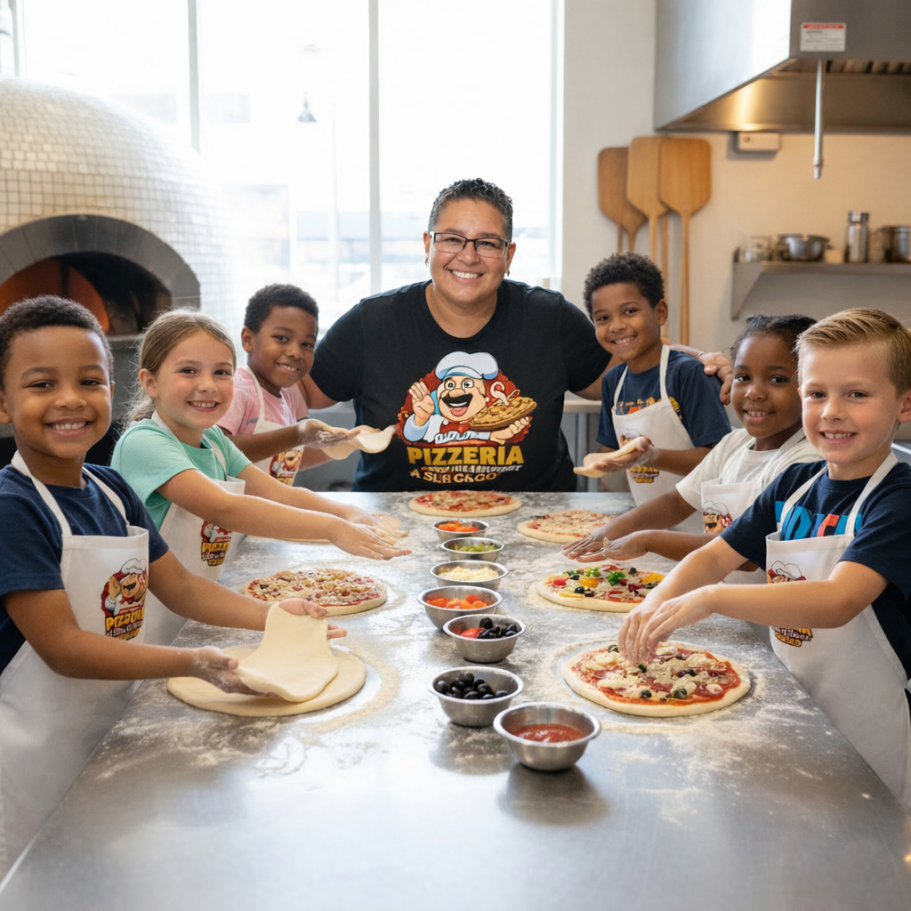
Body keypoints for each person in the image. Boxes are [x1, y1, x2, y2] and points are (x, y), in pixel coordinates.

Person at [0, 296, 344, 874]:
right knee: (43, 878)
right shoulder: (14, 509)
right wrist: (191, 662)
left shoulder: (111, 490)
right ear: (3, 402)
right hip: (35, 755)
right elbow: (61, 648)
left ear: (112, 389)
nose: (69, 399)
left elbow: (182, 589)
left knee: (110, 869)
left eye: (89, 380)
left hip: (113, 723)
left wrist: (278, 617)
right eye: (41, 384)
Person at [618, 308, 911, 810]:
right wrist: (655, 606)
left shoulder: (898, 498)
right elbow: (714, 556)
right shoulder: (794, 487)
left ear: (904, 406)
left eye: (856, 394)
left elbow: (838, 600)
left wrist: (711, 599)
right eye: (817, 393)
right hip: (796, 707)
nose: (831, 411)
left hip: (871, 732)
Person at [111, 309, 409, 645]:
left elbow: (278, 494)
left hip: (203, 607)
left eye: (222, 372)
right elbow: (225, 509)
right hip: (144, 622)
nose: (208, 385)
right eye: (188, 371)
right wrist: (331, 528)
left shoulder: (214, 440)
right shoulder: (144, 442)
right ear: (150, 381)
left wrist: (346, 513)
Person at [565, 315, 820, 577]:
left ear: (813, 386)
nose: (754, 392)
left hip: (765, 614)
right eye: (743, 376)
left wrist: (648, 541)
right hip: (718, 602)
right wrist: (610, 529)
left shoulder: (806, 462)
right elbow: (678, 502)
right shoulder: (733, 444)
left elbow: (745, 554)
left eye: (777, 379)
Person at [578, 253, 731, 530]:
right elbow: (610, 451)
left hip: (702, 529)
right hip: (649, 525)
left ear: (660, 312)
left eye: (629, 311)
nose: (616, 326)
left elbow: (718, 462)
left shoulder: (688, 374)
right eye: (603, 317)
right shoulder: (614, 382)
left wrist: (652, 456)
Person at [217, 283, 360, 485]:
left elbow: (289, 457)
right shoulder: (240, 388)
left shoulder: (291, 396)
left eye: (307, 344)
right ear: (248, 339)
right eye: (281, 338)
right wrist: (296, 435)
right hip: (232, 513)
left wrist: (346, 443)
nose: (295, 352)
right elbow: (219, 450)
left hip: (270, 510)